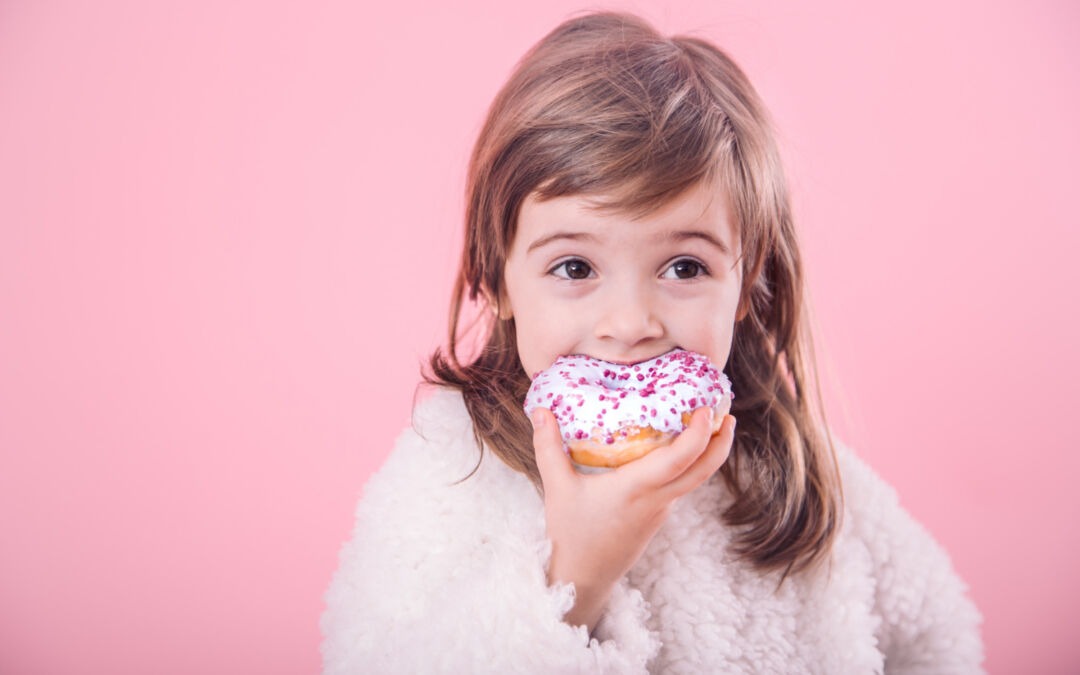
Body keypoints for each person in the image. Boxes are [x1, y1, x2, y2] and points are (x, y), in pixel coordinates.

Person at [320, 11, 983, 673]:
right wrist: (575, 575)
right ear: (497, 279)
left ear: (746, 281)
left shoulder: (796, 472)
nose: (631, 321)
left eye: (684, 267)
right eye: (576, 268)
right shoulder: (448, 471)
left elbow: (939, 644)